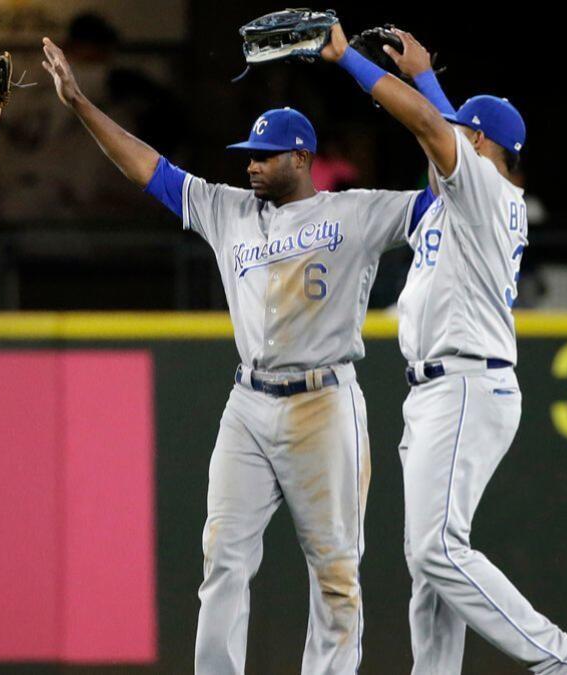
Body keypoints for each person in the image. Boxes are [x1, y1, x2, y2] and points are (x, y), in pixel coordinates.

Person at [41, 35, 422, 674]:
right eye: (248, 154)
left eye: (265, 156)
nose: (250, 164)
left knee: (335, 575)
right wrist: (79, 103)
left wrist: (424, 92)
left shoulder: (355, 213)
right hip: (248, 403)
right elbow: (148, 169)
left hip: (323, 403)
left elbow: (446, 188)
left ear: (301, 158)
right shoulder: (228, 211)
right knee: (222, 558)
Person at [320, 25, 567, 675]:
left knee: (437, 551)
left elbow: (429, 125)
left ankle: (565, 660)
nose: (439, 147)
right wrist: (426, 76)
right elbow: (439, 127)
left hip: (465, 383)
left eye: (458, 136)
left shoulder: (480, 185)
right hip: (446, 388)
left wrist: (349, 62)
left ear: (478, 143)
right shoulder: (473, 192)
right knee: (432, 571)